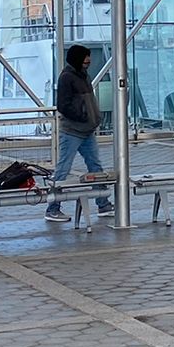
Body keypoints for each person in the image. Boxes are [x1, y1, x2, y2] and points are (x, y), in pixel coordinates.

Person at [44, 44, 112, 222]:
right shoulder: (67, 78)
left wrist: (92, 118)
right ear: (77, 58)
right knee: (63, 170)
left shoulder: (84, 76)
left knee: (96, 167)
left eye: (88, 57)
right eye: (85, 57)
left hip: (87, 131)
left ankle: (103, 203)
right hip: (72, 131)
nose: (88, 60)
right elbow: (63, 105)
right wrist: (82, 117)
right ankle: (52, 208)